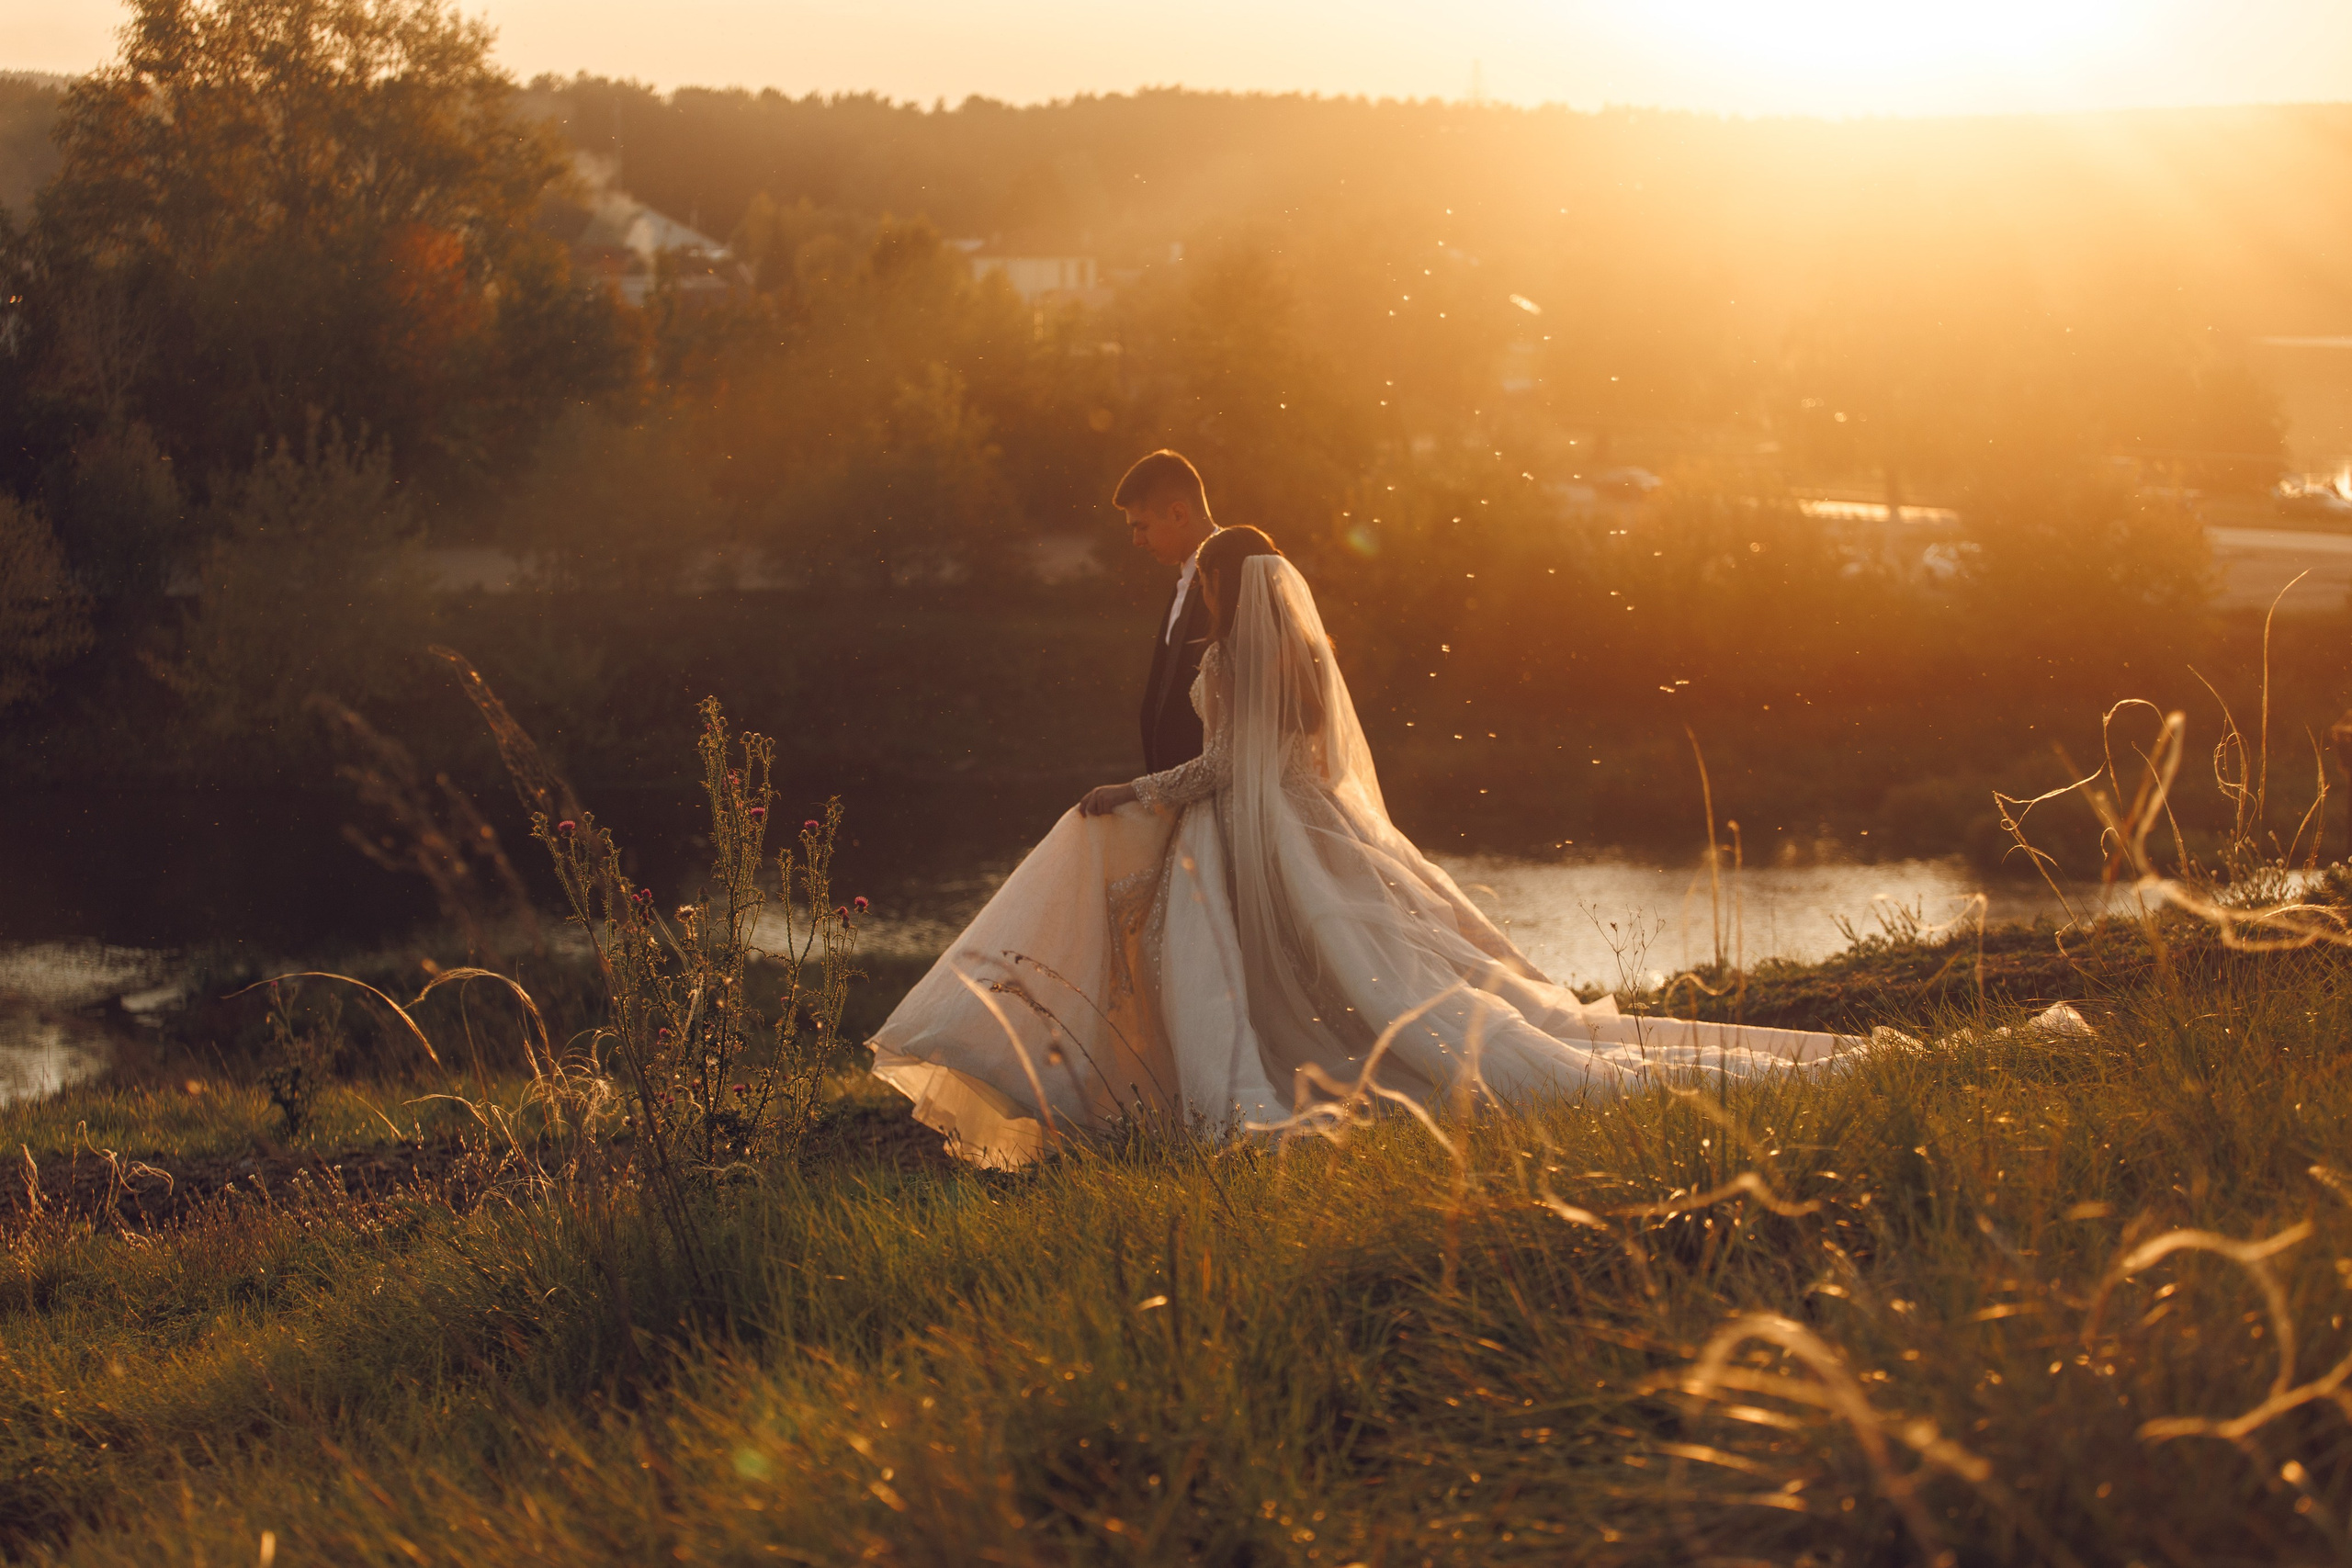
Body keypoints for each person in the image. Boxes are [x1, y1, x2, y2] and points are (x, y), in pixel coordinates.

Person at [868, 518, 1859, 1168]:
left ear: (1223, 584)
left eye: (1209, 582)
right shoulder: (1299, 652)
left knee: (1268, 975)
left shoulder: (1232, 654)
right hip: (1314, 828)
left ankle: (1206, 1086)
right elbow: (1285, 757)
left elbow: (1224, 767)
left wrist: (1130, 788)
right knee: (1357, 963)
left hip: (1252, 831)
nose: (1208, 597)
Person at [1115, 449, 1220, 774]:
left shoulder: (1231, 582)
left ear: (1178, 514)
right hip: (1178, 797)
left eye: (1142, 526)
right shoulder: (1187, 579)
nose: (1136, 540)